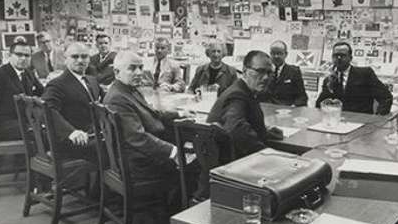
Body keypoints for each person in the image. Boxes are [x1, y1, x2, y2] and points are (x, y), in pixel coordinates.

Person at [103, 51, 189, 182]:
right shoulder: (118, 99)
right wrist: (173, 151)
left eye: (141, 67)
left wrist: (179, 114)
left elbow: (152, 112)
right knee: (196, 164)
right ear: (117, 72)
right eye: (132, 68)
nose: (139, 73)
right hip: (139, 164)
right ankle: (180, 193)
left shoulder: (127, 89)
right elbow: (137, 138)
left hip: (140, 154)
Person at [207, 50, 284, 158]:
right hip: (230, 163)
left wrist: (263, 131)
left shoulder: (244, 91)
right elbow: (237, 131)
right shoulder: (237, 95)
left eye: (269, 72)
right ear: (244, 71)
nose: (266, 77)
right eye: (260, 71)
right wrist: (268, 154)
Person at [41, 42, 102, 160]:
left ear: (89, 59)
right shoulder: (57, 84)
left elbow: (105, 103)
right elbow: (47, 110)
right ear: (66, 60)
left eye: (84, 56)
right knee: (118, 147)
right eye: (75, 57)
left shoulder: (92, 80)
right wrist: (71, 132)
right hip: (73, 140)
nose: (80, 60)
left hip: (92, 134)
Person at [0, 39, 44, 143]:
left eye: (27, 55)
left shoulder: (28, 73)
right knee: (45, 134)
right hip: (2, 125)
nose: (23, 58)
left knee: (49, 129)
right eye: (19, 55)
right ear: (9, 55)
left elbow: (41, 91)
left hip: (22, 120)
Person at [315, 42, 392, 115]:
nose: (339, 58)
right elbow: (319, 105)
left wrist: (378, 118)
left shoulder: (365, 74)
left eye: (342, 55)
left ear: (350, 58)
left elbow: (386, 97)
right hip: (338, 120)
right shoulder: (329, 80)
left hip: (361, 120)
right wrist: (329, 89)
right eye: (335, 55)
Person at [258, 40, 307, 107]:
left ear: (286, 54)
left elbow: (302, 97)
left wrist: (293, 106)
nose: (276, 56)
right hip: (266, 108)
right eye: (273, 53)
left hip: (286, 109)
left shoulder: (294, 71)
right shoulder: (264, 70)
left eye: (279, 53)